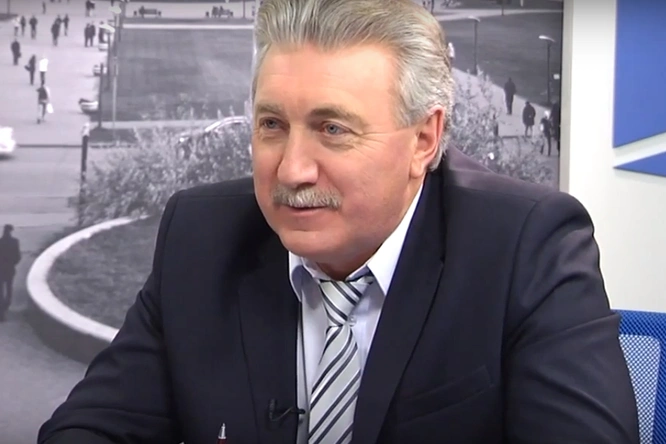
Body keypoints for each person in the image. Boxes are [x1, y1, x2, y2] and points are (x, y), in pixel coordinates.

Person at [37, 0, 639, 443]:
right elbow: (92, 426)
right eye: (272, 125)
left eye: (333, 129)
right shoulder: (200, 236)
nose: (292, 170)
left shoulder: (526, 249)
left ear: (424, 140)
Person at [0, 224, 21, 322]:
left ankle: (1, 310)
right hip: (10, 268)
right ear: (11, 231)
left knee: (1, 290)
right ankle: (6, 305)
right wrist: (12, 263)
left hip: (1, 268)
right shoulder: (15, 242)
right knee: (9, 288)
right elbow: (18, 257)